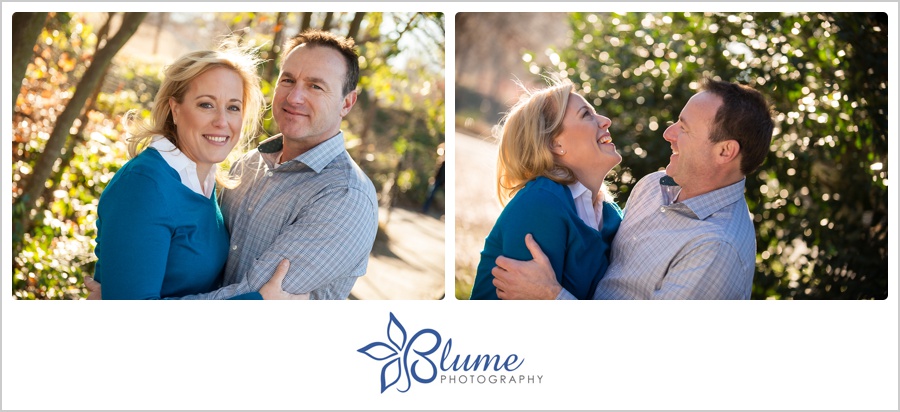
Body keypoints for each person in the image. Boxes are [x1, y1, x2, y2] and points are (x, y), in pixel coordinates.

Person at [490, 78, 774, 300]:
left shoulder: (716, 248)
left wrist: (551, 297)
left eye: (684, 129)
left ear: (725, 151)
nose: (668, 134)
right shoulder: (652, 188)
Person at [165, 29, 379, 300]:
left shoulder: (345, 197)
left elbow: (251, 297)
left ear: (346, 103)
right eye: (288, 80)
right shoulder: (247, 165)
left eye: (315, 86)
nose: (294, 97)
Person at [92, 43, 272, 299]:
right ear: (175, 110)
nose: (222, 121)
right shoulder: (145, 186)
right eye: (206, 105)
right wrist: (258, 302)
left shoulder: (204, 181)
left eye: (233, 107)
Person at [469, 79, 623, 300]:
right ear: (555, 144)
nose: (606, 121)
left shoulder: (610, 214)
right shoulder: (540, 203)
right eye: (586, 115)